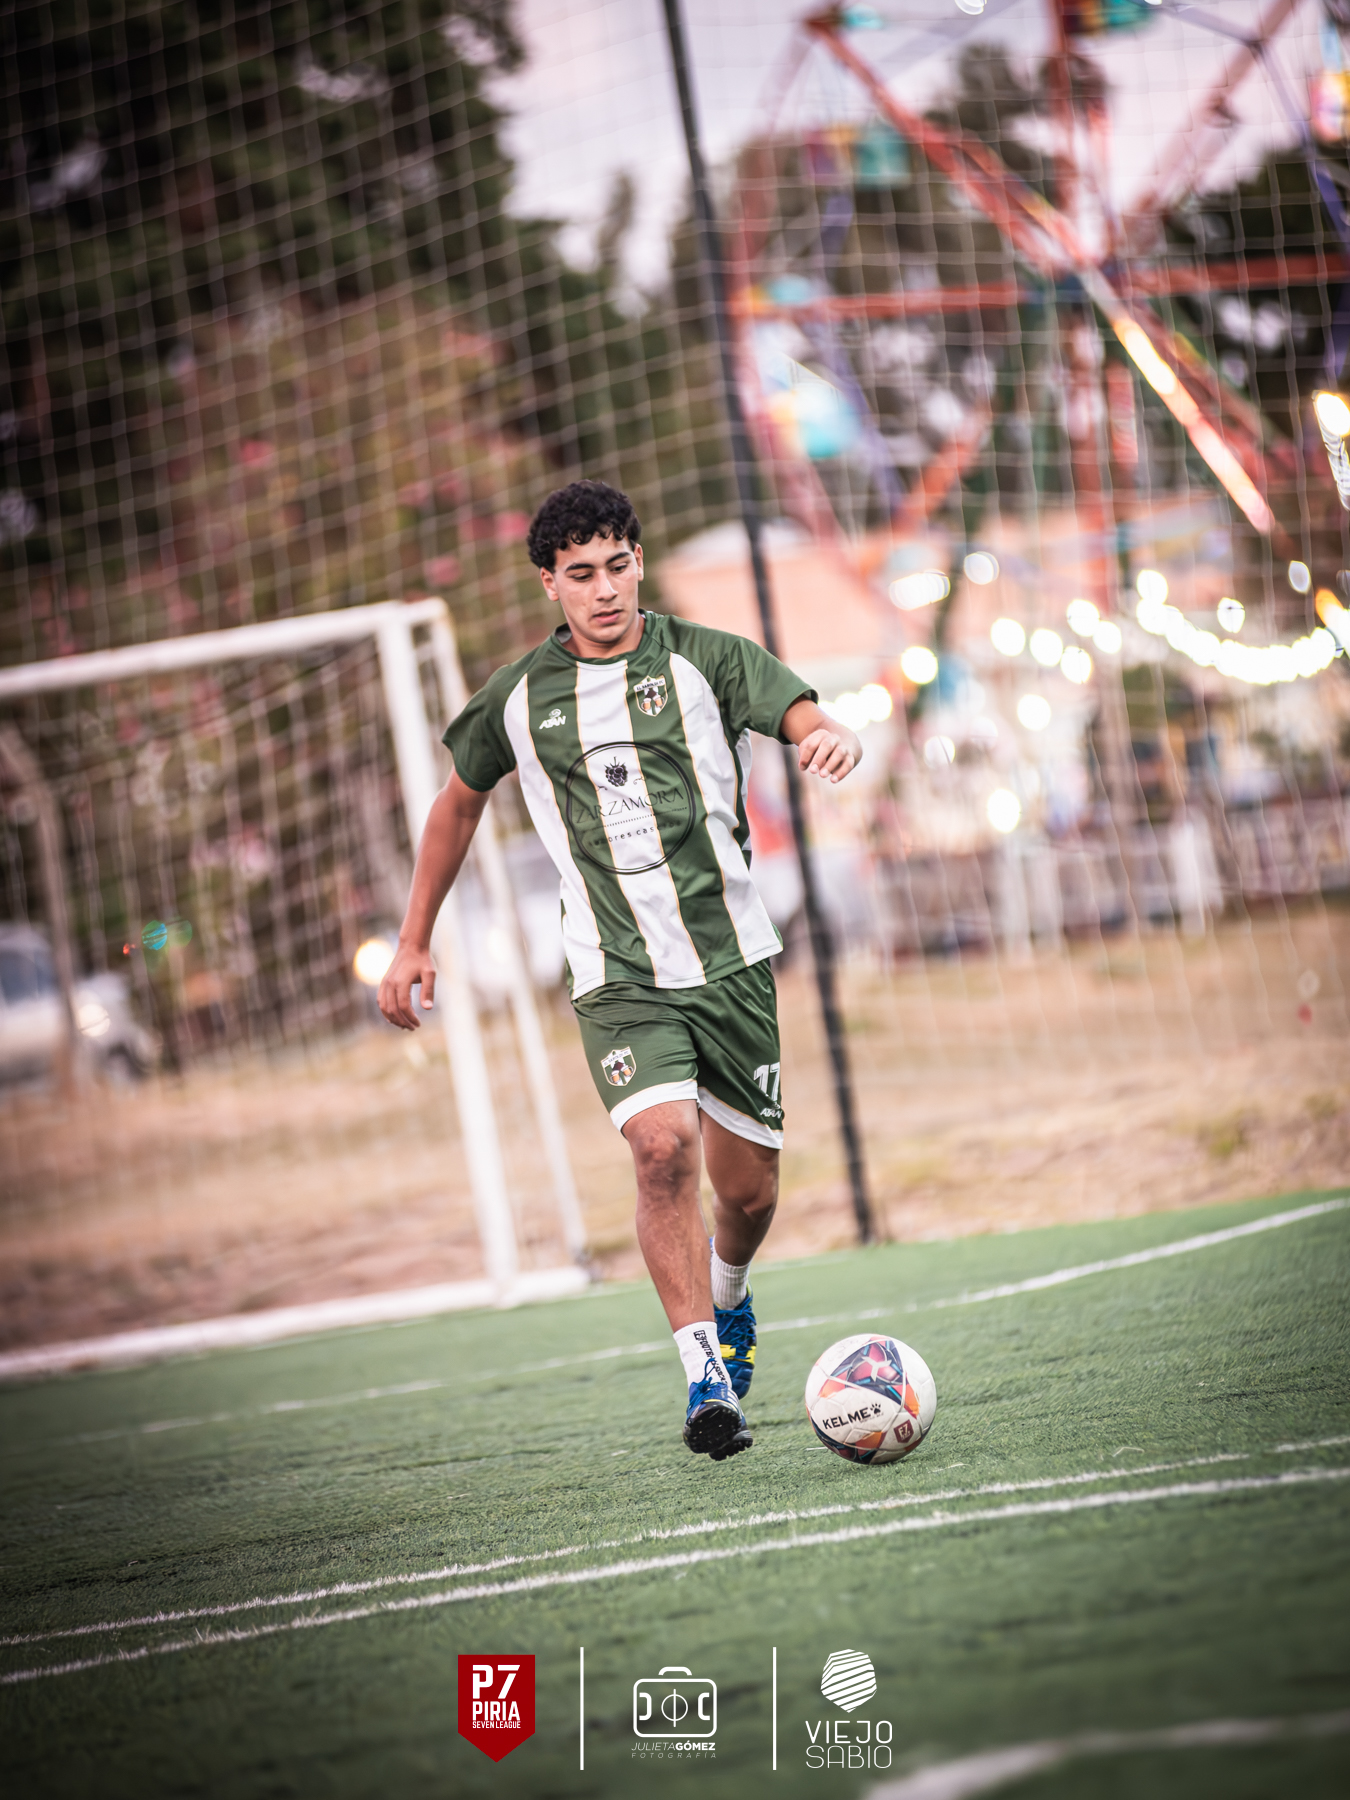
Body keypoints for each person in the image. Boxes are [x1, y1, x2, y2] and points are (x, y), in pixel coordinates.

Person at [379, 480, 861, 1461]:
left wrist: (827, 736)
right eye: (580, 574)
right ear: (548, 583)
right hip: (616, 974)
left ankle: (730, 1294)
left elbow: (802, 713)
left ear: (638, 563)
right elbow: (457, 805)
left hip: (730, 962)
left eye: (616, 567)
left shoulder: (706, 659)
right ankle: (705, 1376)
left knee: (749, 1194)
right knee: (659, 1148)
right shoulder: (518, 697)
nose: (603, 590)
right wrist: (413, 938)